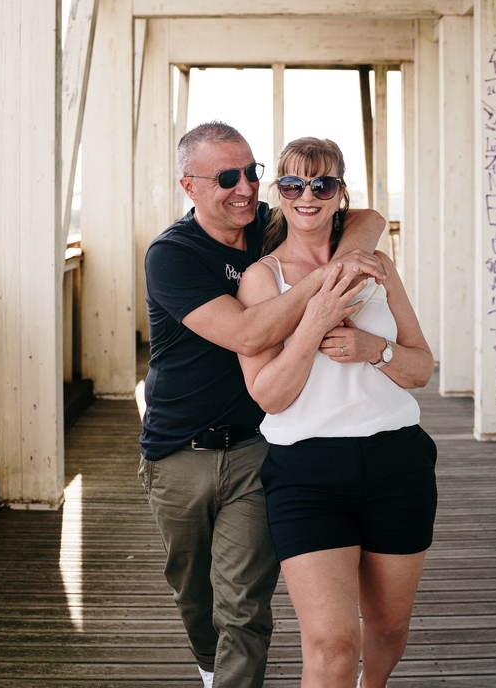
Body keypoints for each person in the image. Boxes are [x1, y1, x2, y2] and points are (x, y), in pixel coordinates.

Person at [139, 121, 387, 688]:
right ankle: (210, 667)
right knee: (193, 593)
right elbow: (248, 335)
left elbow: (367, 220)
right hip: (178, 453)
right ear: (190, 186)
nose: (245, 188)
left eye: (252, 173)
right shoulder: (172, 257)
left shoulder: (270, 227)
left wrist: (339, 259)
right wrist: (328, 278)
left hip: (257, 445)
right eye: (228, 177)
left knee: (245, 604)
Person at [236, 137, 437, 688]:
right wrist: (316, 319)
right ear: (278, 194)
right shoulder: (263, 279)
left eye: (322, 184)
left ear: (340, 193)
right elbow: (269, 395)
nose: (308, 195)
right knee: (331, 642)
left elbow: (421, 369)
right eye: (294, 184)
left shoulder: (376, 266)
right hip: (307, 472)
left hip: (396, 461)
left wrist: (375, 350)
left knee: (389, 629)